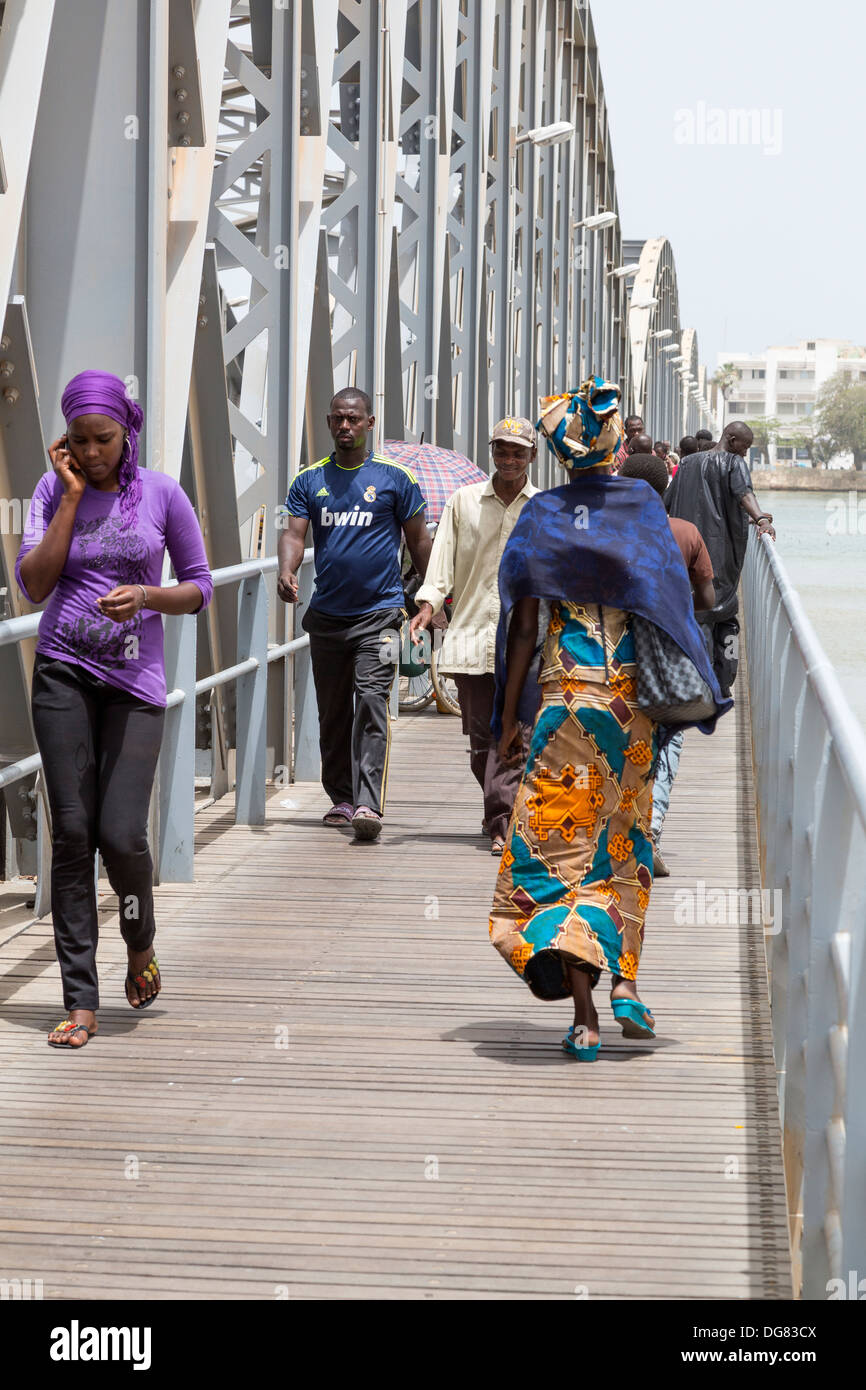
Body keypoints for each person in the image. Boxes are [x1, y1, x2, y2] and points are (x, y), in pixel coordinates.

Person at [488, 378, 730, 1062]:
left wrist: (507, 716)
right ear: (614, 446)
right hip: (630, 719)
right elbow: (673, 606)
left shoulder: (543, 518)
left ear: (560, 455)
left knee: (559, 854)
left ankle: (586, 1018)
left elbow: (525, 624)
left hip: (565, 709)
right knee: (620, 848)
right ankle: (626, 984)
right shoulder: (644, 511)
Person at [14, 370, 214, 1049]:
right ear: (64, 443)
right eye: (80, 442)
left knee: (121, 833)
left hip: (134, 683)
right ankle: (81, 1000)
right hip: (64, 673)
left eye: (104, 440)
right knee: (71, 832)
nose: (94, 453)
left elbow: (199, 587)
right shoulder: (48, 491)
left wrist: (148, 596)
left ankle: (139, 938)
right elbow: (35, 585)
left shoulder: (161, 493)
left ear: (126, 431)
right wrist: (70, 497)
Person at [277, 387, 431, 842]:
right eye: (338, 419)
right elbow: (293, 533)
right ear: (328, 423)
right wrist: (287, 568)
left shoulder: (394, 478)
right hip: (327, 616)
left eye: (354, 419)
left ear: (370, 423)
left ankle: (368, 803)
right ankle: (341, 797)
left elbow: (419, 539)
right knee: (333, 713)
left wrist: (433, 598)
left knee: (371, 702)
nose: (346, 426)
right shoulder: (309, 480)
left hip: (381, 615)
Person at [408, 417, 539, 855]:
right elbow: (440, 558)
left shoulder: (542, 508)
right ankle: (496, 811)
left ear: (532, 457)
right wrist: (428, 605)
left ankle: (504, 820)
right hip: (471, 636)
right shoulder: (463, 502)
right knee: (481, 738)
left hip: (524, 641)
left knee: (515, 731)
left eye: (517, 452)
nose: (508, 459)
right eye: (501, 450)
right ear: (492, 452)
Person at [620, 452, 716, 876]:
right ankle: (651, 832)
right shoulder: (686, 532)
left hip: (616, 647)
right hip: (673, 647)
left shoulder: (608, 531)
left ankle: (615, 830)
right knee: (669, 738)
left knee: (618, 738)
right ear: (665, 487)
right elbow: (708, 600)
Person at [665, 421, 775, 697]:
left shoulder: (687, 464)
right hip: (720, 558)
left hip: (686, 558)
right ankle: (722, 684)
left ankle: (696, 682)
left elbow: (665, 503)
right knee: (726, 621)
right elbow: (744, 494)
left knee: (696, 617)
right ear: (731, 438)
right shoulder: (732, 463)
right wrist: (760, 518)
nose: (745, 453)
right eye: (745, 446)